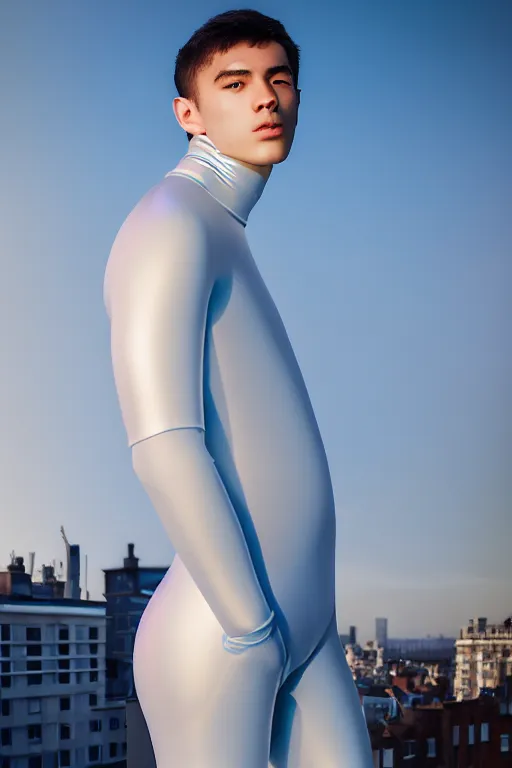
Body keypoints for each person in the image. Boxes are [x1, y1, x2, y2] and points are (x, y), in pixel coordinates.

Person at [103, 9, 373, 767]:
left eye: (280, 79)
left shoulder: (224, 234)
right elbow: (162, 443)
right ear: (188, 112)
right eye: (237, 82)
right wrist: (250, 627)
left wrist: (286, 628)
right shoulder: (170, 222)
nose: (267, 98)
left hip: (301, 628)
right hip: (228, 632)